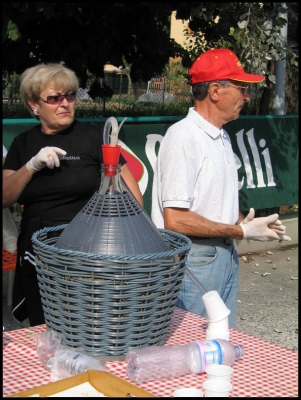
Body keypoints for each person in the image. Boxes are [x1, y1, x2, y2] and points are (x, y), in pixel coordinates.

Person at [151, 48, 291, 328]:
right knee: (195, 349)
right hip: (195, 259)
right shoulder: (183, 137)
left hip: (219, 256)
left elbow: (208, 203)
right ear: (215, 90)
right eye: (241, 88)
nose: (247, 96)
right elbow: (175, 220)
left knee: (219, 343)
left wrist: (246, 222)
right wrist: (240, 231)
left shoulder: (220, 136)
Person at [3, 63, 143, 327]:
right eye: (55, 98)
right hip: (39, 251)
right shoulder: (23, 143)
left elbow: (134, 199)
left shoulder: (93, 138)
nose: (65, 103)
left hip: (88, 252)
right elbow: (5, 196)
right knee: (45, 328)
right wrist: (32, 166)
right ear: (34, 104)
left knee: (89, 325)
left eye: (70, 95)